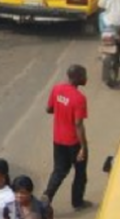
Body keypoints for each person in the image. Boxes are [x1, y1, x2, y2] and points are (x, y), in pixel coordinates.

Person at [43, 64, 90, 211]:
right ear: (78, 78)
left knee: (59, 171)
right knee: (80, 173)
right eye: (84, 75)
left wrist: (62, 110)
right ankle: (77, 201)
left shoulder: (57, 89)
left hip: (58, 139)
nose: (86, 78)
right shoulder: (79, 99)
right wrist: (83, 147)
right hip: (73, 142)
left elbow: (49, 109)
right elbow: (78, 125)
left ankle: (47, 196)